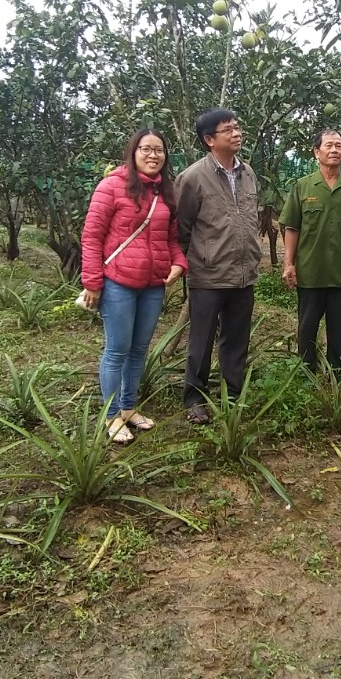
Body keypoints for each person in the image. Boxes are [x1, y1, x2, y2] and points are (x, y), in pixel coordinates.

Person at [80, 128, 187, 444]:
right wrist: (92, 282)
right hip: (118, 284)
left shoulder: (165, 192)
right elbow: (91, 237)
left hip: (153, 285)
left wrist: (180, 263)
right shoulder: (111, 186)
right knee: (117, 350)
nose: (153, 155)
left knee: (139, 349)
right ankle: (110, 416)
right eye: (146, 149)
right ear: (133, 151)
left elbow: (171, 238)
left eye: (159, 150)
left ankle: (128, 408)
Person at [176, 108, 261, 423]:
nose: (236, 133)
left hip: (243, 274)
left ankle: (233, 395)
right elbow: (181, 228)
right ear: (209, 139)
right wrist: (193, 262)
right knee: (201, 340)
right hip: (208, 275)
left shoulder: (248, 173)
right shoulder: (192, 178)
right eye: (228, 129)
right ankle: (194, 399)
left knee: (236, 339)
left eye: (237, 127)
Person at [280, 128, 341, 374]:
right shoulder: (302, 187)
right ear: (316, 152)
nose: (334, 150)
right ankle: (306, 373)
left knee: (339, 329)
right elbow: (291, 227)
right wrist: (288, 263)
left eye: (339, 146)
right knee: (307, 327)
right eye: (329, 146)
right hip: (309, 272)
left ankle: (337, 376)